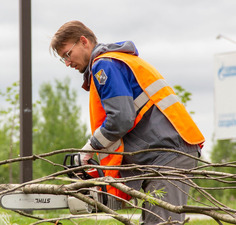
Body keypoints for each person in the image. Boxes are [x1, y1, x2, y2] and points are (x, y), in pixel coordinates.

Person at [50, 20, 204, 225]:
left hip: (169, 154)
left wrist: (89, 149)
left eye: (67, 55)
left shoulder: (104, 65)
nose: (68, 63)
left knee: (161, 222)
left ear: (84, 41)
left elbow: (121, 119)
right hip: (160, 152)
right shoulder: (115, 62)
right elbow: (133, 129)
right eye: (63, 60)